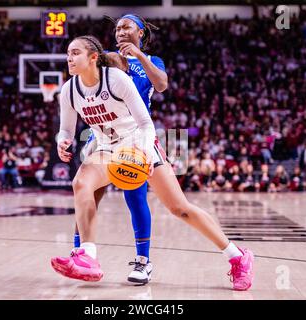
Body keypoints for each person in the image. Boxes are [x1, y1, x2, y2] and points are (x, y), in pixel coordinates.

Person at [50, 35, 254, 291]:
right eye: (68, 53)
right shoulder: (69, 90)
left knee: (180, 208)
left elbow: (146, 124)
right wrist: (63, 141)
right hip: (104, 147)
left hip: (137, 143)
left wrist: (144, 153)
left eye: (75, 52)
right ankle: (87, 256)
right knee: (80, 183)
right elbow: (66, 130)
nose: (69, 57)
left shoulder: (116, 79)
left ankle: (238, 257)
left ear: (93, 57)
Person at [72, 14, 168, 284]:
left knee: (134, 198)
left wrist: (140, 56)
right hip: (102, 135)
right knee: (86, 191)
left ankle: (142, 262)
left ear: (141, 32)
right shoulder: (106, 57)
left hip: (133, 136)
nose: (120, 31)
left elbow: (161, 85)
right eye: (117, 28)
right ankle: (80, 252)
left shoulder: (152, 62)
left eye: (126, 27)